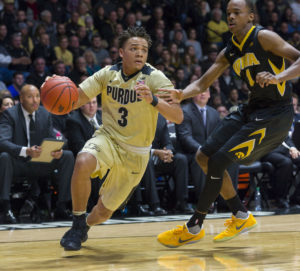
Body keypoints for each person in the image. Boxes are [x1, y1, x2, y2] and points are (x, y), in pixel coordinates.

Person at [156, 0, 300, 248]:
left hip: (276, 114)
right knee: (203, 157)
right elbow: (202, 83)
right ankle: (241, 215)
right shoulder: (230, 50)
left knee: (219, 160)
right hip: (251, 109)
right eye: (228, 13)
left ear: (251, 16)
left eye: (237, 12)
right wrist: (181, 94)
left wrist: (279, 77)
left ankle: (194, 226)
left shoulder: (264, 37)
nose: (230, 17)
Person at [56, 26, 183, 251]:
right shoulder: (107, 74)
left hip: (137, 153)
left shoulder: (155, 78)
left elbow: (178, 116)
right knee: (83, 160)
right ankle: (76, 222)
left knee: (103, 212)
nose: (140, 53)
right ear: (121, 52)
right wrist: (56, 94)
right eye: (134, 48)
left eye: (144, 49)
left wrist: (153, 100)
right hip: (109, 138)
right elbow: (75, 99)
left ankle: (84, 226)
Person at [0, 84, 75, 223]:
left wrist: (58, 149)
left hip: (40, 161)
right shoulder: (10, 114)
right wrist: (25, 150)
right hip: (20, 163)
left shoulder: (45, 114)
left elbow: (56, 137)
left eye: (37, 96)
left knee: (67, 156)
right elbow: (3, 142)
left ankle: (62, 206)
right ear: (21, 99)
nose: (35, 100)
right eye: (30, 97)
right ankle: (5, 207)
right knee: (4, 157)